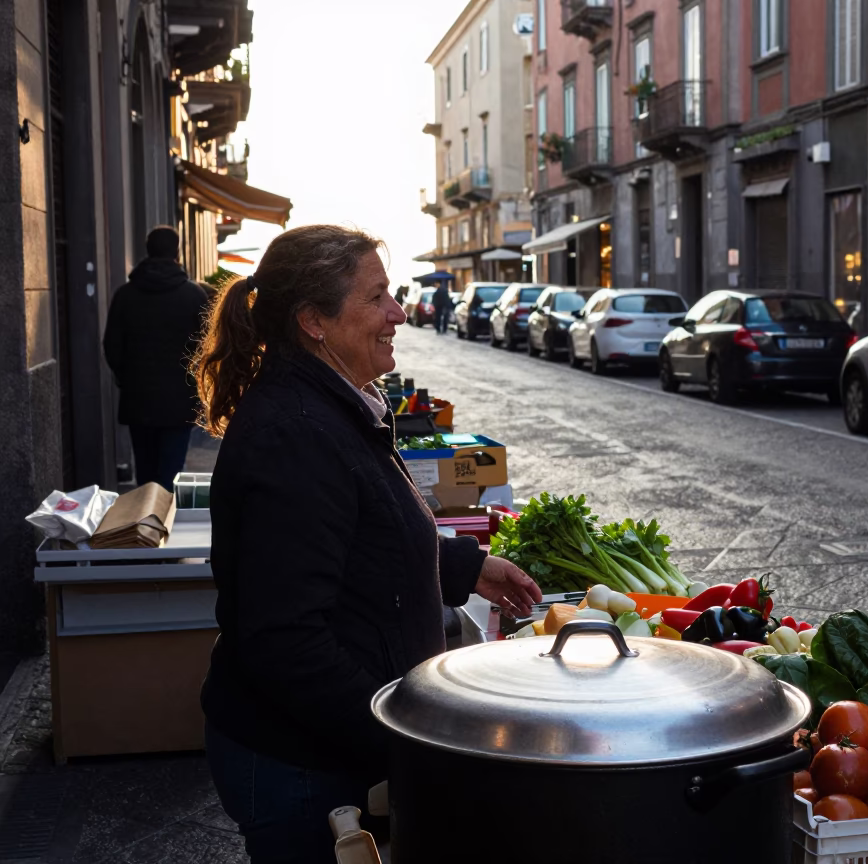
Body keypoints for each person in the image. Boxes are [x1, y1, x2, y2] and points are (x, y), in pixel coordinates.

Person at [193, 225, 542, 863]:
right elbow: (285, 639)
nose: (397, 313)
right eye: (376, 297)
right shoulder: (295, 434)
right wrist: (402, 737)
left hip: (325, 746)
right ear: (314, 321)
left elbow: (364, 533)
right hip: (298, 763)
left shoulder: (334, 403)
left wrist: (469, 564)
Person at [103, 225, 209, 491]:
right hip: (179, 401)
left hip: (139, 400)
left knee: (145, 475)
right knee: (170, 476)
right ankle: (162, 526)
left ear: (147, 250)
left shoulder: (125, 295)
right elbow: (207, 346)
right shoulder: (193, 295)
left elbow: (111, 345)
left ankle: (145, 526)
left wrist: (127, 378)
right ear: (177, 252)